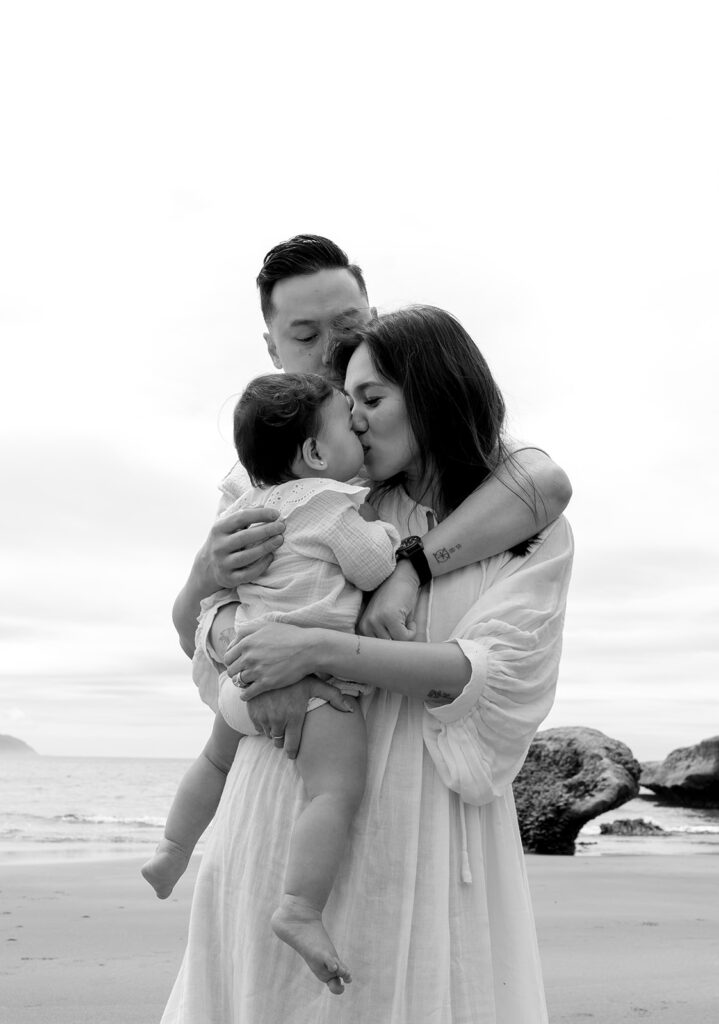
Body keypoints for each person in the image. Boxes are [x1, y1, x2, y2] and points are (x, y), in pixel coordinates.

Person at [161, 305, 573, 1023]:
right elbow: (209, 628)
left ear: (437, 392)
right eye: (348, 405)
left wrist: (318, 649)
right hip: (280, 815)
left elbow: (492, 670)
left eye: (373, 401)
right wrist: (253, 665)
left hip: (420, 831)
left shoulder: (520, 525)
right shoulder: (328, 502)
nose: (355, 422)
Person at [171, 237, 573, 767]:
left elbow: (543, 481)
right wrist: (215, 595)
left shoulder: (447, 462)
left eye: (347, 325)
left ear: (373, 321)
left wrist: (410, 566)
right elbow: (197, 631)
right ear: (273, 350)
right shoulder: (259, 483)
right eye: (306, 336)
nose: (331, 349)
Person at [144, 372, 400, 990]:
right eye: (347, 418)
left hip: (241, 674)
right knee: (333, 792)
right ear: (316, 454)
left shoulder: (246, 506)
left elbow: (215, 600)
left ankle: (173, 849)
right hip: (307, 682)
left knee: (213, 759)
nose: (360, 427)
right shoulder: (330, 503)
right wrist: (391, 535)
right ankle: (300, 909)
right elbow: (371, 565)